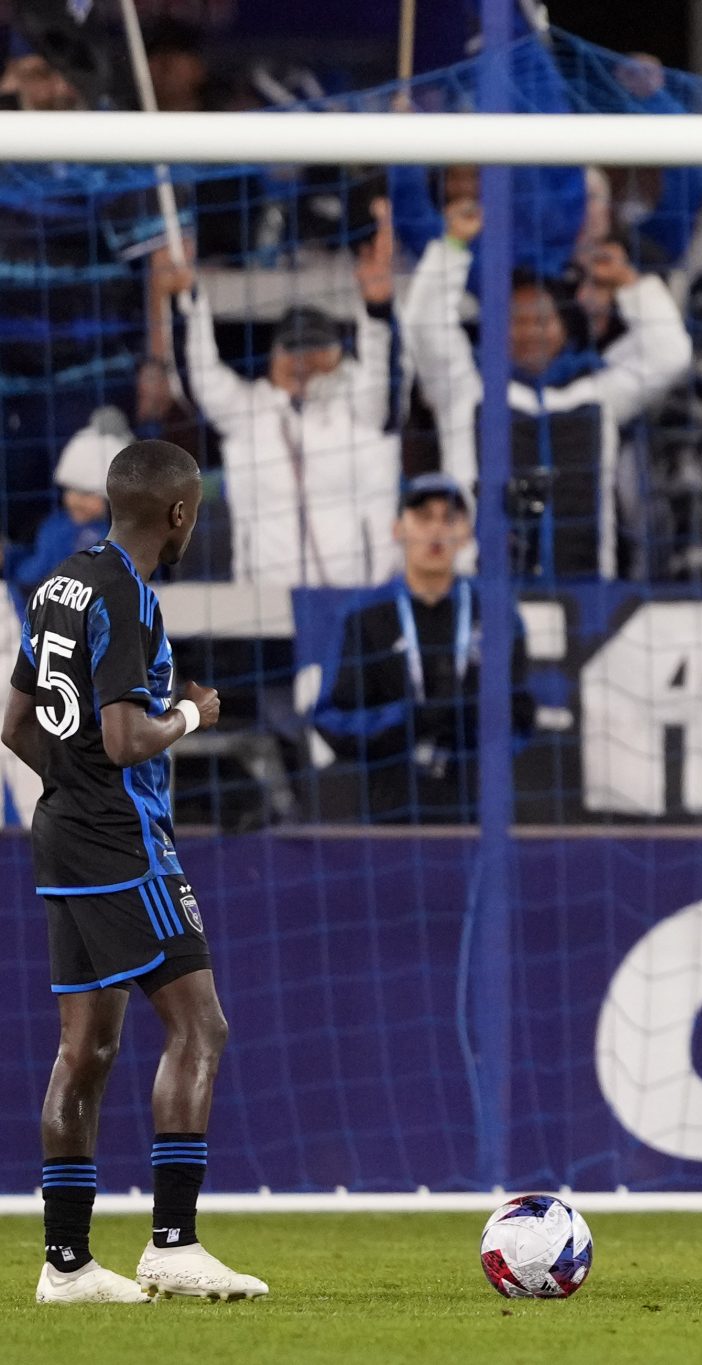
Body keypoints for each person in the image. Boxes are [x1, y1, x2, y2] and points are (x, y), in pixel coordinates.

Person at [2, 440, 266, 1305]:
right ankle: (173, 1243)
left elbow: (14, 724)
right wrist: (192, 709)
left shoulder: (56, 586)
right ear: (180, 513)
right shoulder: (128, 596)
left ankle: (66, 1264)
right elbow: (124, 740)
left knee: (87, 1046)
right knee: (202, 1026)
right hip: (124, 839)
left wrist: (70, 788)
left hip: (60, 834)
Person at [404, 198, 691, 580]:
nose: (529, 332)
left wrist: (627, 283)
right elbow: (425, 326)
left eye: (542, 319)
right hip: (481, 590)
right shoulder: (464, 391)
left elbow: (670, 354)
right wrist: (452, 249)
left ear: (564, 328)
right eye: (515, 321)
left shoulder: (597, 395)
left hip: (586, 595)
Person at [164, 200, 399, 588]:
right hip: (266, 604)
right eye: (292, 348)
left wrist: (376, 309)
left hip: (360, 602)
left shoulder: (362, 406)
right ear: (272, 357)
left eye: (316, 347)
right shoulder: (249, 411)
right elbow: (197, 379)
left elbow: (384, 370)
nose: (303, 359)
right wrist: (188, 302)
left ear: (340, 353)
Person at [310, 474, 536, 823]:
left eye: (449, 518)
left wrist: (468, 727)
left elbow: (520, 721)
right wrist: (410, 719)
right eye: (424, 517)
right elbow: (331, 720)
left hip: (477, 813)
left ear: (466, 534)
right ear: (398, 529)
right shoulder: (364, 616)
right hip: (390, 813)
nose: (436, 531)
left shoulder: (497, 614)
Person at [11, 414, 126, 592]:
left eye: (89, 493)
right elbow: (34, 570)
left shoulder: (114, 535)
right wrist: (12, 559)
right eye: (72, 490)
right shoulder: (54, 527)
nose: (78, 501)